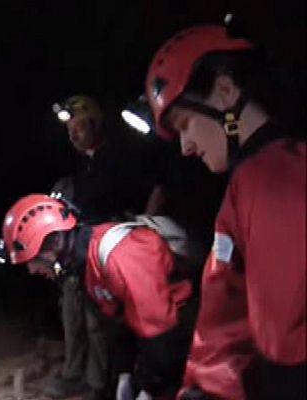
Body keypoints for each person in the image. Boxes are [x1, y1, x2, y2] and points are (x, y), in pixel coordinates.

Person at [141, 25, 306, 399]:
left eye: (185, 124)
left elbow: (287, 344)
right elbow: (233, 317)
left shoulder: (274, 179)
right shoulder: (250, 183)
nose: (185, 146)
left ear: (226, 91)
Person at [0, 194, 194, 399]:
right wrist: (124, 374)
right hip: (158, 335)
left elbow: (161, 334)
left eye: (33, 261)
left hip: (184, 328)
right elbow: (119, 324)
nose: (32, 270)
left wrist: (150, 388)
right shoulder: (86, 265)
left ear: (53, 245)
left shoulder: (118, 256)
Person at [46, 95, 160, 399]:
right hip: (80, 250)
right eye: (70, 131)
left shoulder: (116, 160)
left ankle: (97, 383)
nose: (73, 136)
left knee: (97, 321)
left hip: (107, 251)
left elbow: (153, 187)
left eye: (79, 128)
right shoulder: (86, 166)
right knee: (72, 312)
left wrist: (145, 224)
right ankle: (74, 374)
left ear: (95, 125)